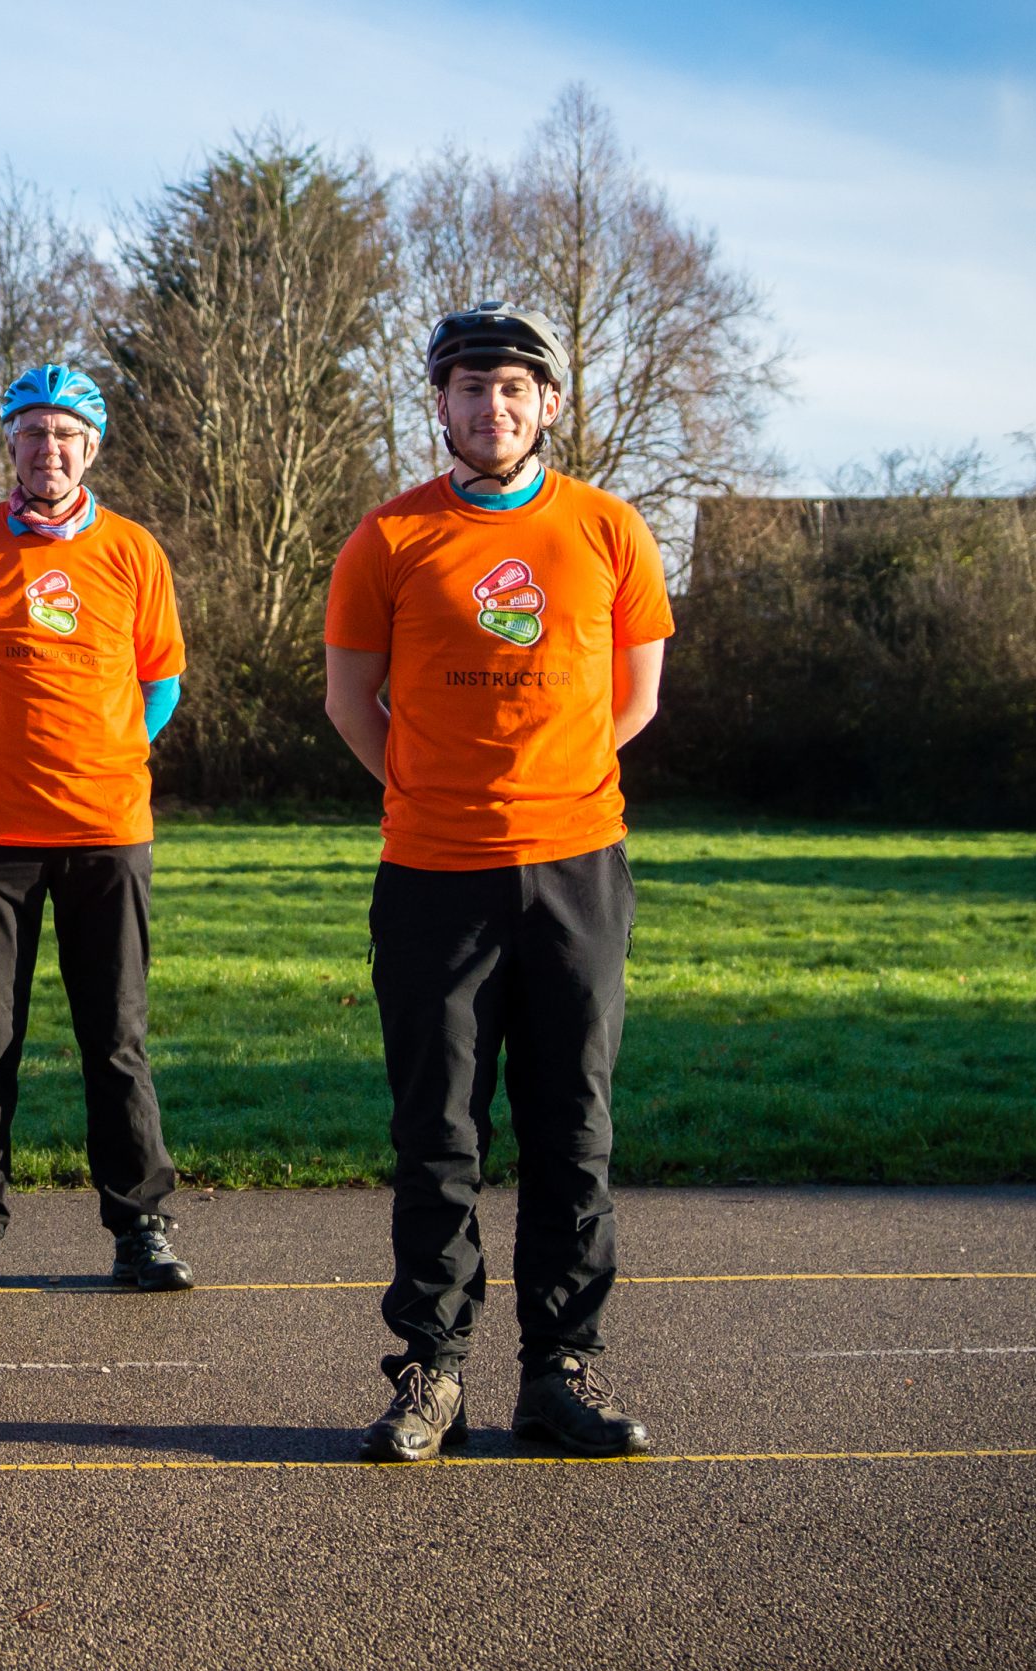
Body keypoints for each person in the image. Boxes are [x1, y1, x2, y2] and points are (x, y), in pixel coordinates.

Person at [323, 301, 672, 1462]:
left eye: (513, 387)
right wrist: (433, 792)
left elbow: (634, 698)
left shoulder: (611, 530)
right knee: (439, 1132)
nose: (492, 406)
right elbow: (348, 700)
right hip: (432, 873)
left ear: (550, 403)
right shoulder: (386, 539)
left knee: (572, 1127)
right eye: (470, 387)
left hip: (577, 869)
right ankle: (432, 1372)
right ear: (440, 404)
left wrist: (552, 791)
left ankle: (557, 1374)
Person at [0, 364, 194, 1298]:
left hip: (108, 830)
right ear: (11, 444)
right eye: (32, 432)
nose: (49, 450)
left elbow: (163, 684)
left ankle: (140, 1225)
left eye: (66, 434)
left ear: (91, 447)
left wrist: (114, 754)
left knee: (115, 1034)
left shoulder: (135, 552)